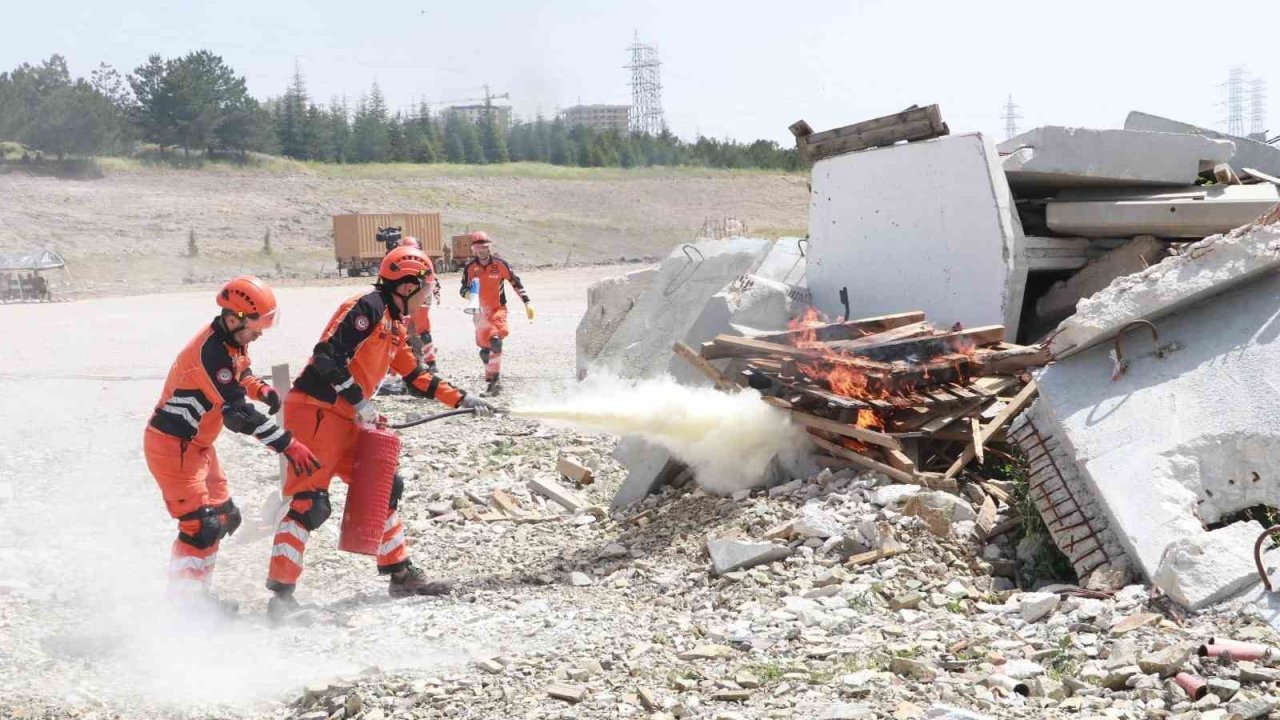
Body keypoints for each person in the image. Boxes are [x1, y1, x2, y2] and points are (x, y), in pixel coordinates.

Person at [266, 245, 496, 619]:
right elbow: (327, 357)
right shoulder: (368, 308)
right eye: (424, 288)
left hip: (347, 417)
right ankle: (281, 599)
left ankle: (400, 574)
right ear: (405, 286)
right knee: (310, 504)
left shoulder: (395, 322)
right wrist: (360, 403)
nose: (426, 297)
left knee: (386, 485)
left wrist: (462, 399)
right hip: (316, 413)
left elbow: (415, 376)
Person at [144, 276, 321, 610]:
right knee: (201, 525)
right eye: (256, 326)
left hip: (198, 448)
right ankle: (185, 606)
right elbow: (238, 415)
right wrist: (287, 445)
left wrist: (261, 389)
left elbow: (240, 374)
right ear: (233, 318)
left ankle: (196, 594)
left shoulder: (231, 343)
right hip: (172, 447)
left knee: (225, 518)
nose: (259, 333)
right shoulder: (209, 353)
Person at [458, 231, 534, 396]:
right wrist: (469, 294)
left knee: (496, 341)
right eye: (478, 248)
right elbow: (462, 289)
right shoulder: (470, 268)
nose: (482, 251)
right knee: (484, 351)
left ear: (489, 247)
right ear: (473, 249)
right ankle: (491, 378)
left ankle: (494, 384)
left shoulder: (500, 264)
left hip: (498, 309)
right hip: (480, 313)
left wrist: (526, 302)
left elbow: (515, 282)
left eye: (485, 247)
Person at [399, 237, 440, 373]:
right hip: (404, 299)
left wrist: (434, 292)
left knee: (422, 330)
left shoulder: (423, 262)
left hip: (420, 299)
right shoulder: (399, 261)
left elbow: (431, 279)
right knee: (406, 331)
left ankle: (431, 362)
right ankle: (413, 361)